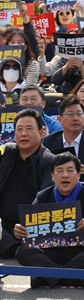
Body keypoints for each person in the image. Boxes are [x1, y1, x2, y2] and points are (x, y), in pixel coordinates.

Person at [14, 153, 84, 287]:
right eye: (59, 171)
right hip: (53, 252)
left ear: (78, 175)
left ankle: (48, 277)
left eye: (70, 170)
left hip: (82, 250)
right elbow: (29, 225)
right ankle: (74, 277)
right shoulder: (43, 196)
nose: (65, 175)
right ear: (52, 176)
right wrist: (19, 231)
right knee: (22, 251)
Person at [0, 109, 55, 258]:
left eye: (29, 129)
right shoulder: (6, 154)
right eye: (19, 129)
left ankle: (15, 248)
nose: (23, 134)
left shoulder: (50, 161)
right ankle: (14, 248)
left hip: (30, 226)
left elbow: (44, 200)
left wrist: (27, 224)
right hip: (3, 225)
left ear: (42, 132)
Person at [42, 98, 84, 170]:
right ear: (60, 120)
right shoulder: (48, 141)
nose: (75, 118)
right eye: (70, 114)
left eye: (79, 114)